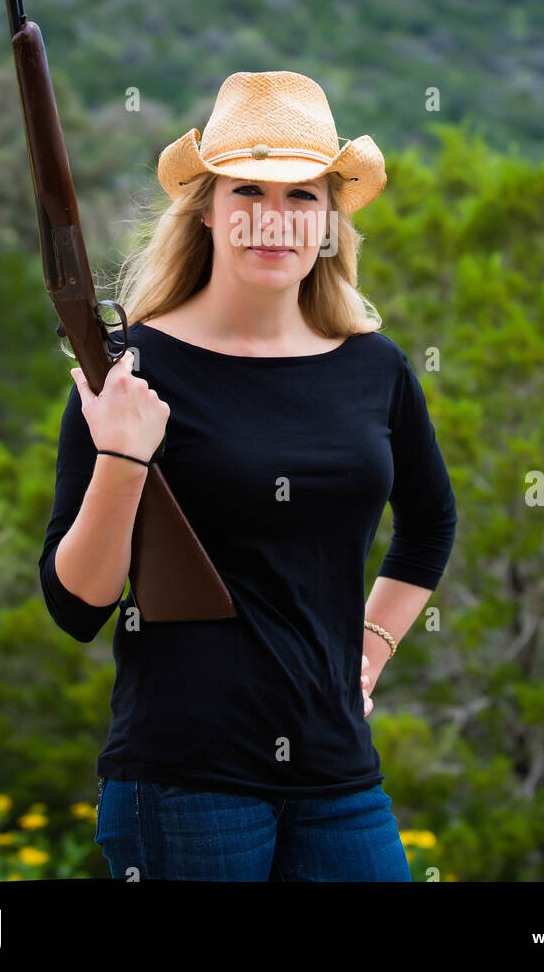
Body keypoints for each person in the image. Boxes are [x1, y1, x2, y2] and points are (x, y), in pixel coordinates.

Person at [38, 69, 457, 881]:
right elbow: (75, 605)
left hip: (339, 773)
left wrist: (366, 651)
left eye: (301, 196)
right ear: (206, 210)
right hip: (184, 779)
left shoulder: (375, 367)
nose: (274, 220)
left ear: (331, 220)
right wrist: (123, 458)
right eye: (247, 193)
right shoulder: (131, 370)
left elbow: (430, 524)